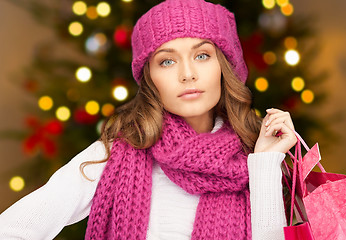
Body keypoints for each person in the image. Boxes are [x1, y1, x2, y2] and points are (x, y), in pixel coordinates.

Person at [0, 0, 297, 239]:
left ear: (225, 65)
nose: (187, 73)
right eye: (167, 61)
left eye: (202, 56)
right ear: (150, 78)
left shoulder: (253, 160)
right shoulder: (116, 153)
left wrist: (264, 164)